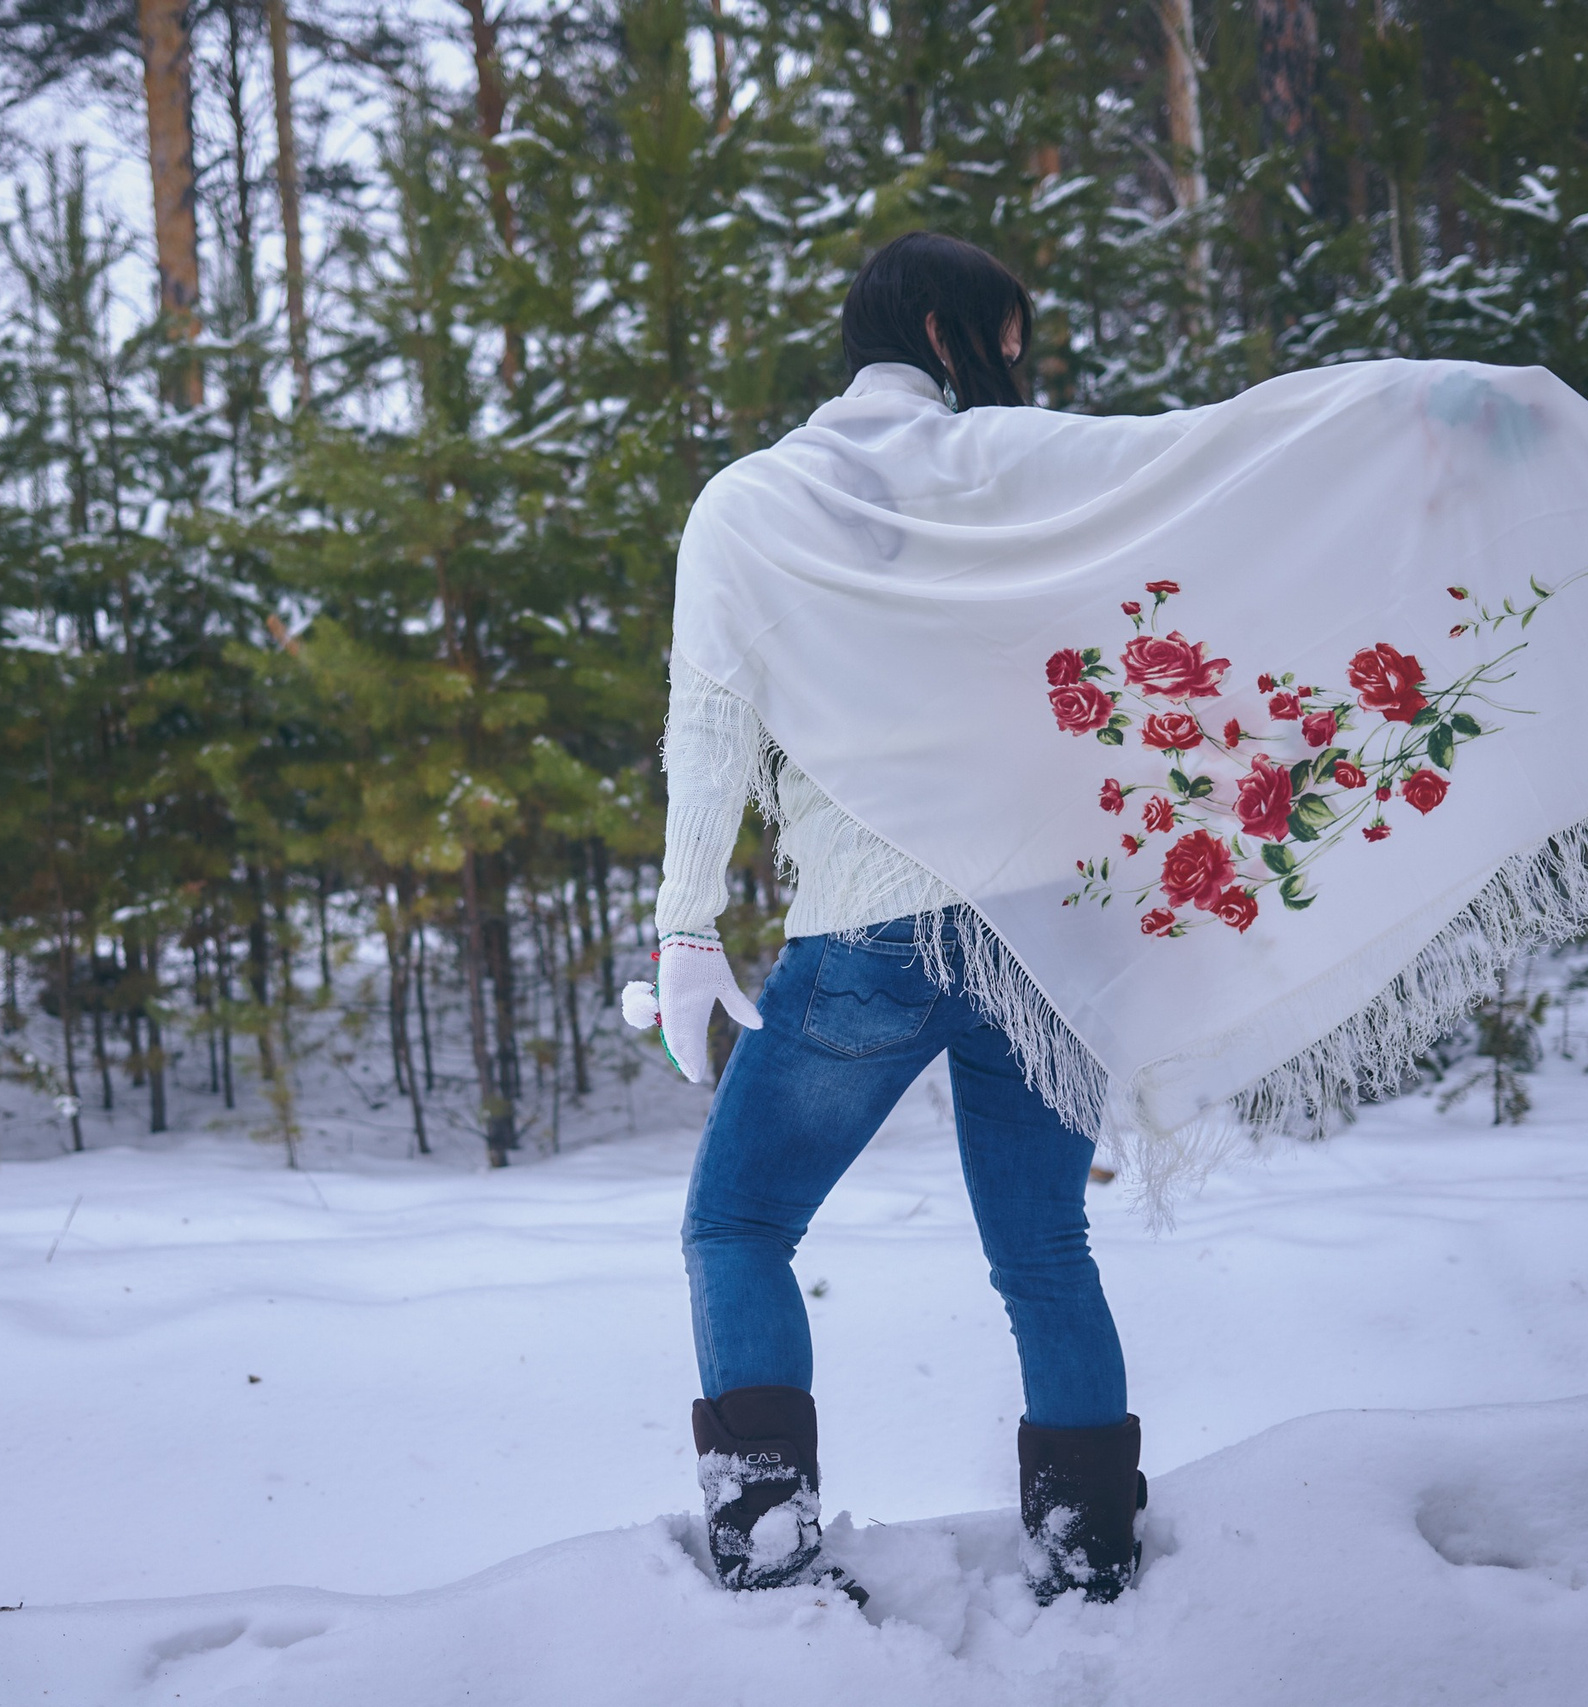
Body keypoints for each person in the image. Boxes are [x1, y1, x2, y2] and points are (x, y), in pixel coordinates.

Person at [642, 233, 1143, 1608]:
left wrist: (687, 931)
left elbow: (712, 729)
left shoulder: (753, 503)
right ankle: (1094, 1553)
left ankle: (767, 1542)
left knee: (737, 1227)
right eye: (1009, 339)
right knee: (1044, 1248)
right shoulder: (1026, 475)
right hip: (1048, 928)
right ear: (943, 332)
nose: (1018, 369)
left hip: (876, 933)